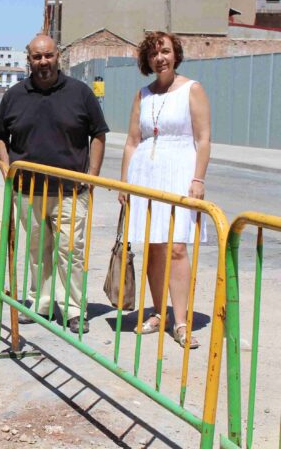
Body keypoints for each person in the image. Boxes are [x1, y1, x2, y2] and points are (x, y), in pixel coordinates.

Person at [0, 34, 109, 334]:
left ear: (58, 56)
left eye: (48, 55)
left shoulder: (80, 93)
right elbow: (0, 136)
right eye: (37, 57)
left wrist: (92, 176)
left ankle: (74, 310)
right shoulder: (14, 95)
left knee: (71, 252)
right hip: (28, 191)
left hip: (70, 191)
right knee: (37, 251)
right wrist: (7, 168)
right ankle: (39, 304)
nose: (43, 62)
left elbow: (98, 133)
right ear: (29, 60)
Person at [119, 31, 211, 349]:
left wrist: (198, 179)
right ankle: (160, 312)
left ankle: (181, 322)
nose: (160, 58)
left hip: (180, 173)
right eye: (154, 54)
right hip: (146, 174)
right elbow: (132, 141)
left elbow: (203, 139)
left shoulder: (192, 89)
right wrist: (124, 183)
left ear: (176, 55)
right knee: (154, 246)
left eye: (166, 52)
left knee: (177, 247)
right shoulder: (142, 95)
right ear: (147, 60)